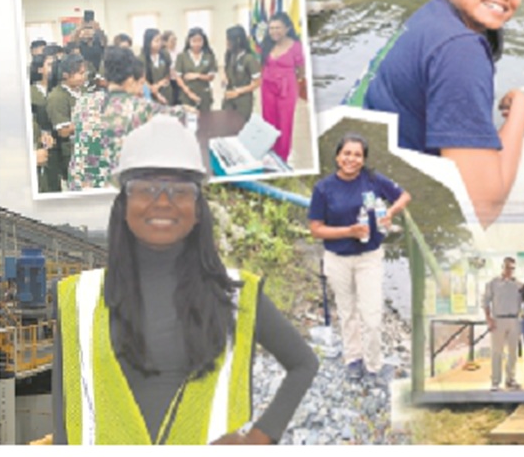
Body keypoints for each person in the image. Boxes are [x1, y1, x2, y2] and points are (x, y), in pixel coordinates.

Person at [52, 115, 318, 444]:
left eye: (180, 191)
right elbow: (65, 414)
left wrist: (259, 439)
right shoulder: (77, 299)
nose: (163, 202)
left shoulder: (237, 295)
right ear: (123, 204)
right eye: (146, 189)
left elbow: (303, 363)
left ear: (198, 209)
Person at [363, 0, 524, 228]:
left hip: (368, 171)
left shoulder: (431, 15)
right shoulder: (461, 50)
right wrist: (519, 116)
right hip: (391, 210)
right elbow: (480, 211)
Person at [307, 133, 411, 383]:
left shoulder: (372, 180)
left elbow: (404, 196)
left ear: (363, 160)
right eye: (347, 153)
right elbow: (316, 229)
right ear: (337, 157)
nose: (351, 159)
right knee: (347, 311)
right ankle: (353, 359)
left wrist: (390, 212)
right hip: (338, 258)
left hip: (369, 257)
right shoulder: (324, 188)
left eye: (357, 155)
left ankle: (374, 364)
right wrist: (349, 232)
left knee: (372, 316)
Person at [68, 46, 191, 190]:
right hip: (114, 191)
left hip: (78, 190)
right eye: (141, 83)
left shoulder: (84, 102)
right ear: (130, 80)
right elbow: (180, 115)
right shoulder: (140, 107)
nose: (142, 91)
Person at [260, 13, 305, 162]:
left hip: (287, 88)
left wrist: (292, 80)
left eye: (278, 28)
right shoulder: (267, 44)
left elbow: (301, 69)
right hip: (268, 87)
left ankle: (282, 156)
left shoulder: (296, 46)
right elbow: (263, 64)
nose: (274, 31)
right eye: (271, 28)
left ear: (287, 28)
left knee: (285, 122)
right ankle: (269, 151)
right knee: (268, 120)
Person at [46, 53, 87, 189]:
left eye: (84, 73)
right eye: (80, 73)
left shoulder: (83, 90)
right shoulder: (57, 97)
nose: (83, 76)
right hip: (71, 154)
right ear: (66, 75)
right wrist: (89, 123)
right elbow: (63, 131)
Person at [482, 257, 523, 390]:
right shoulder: (493, 283)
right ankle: (495, 381)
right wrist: (488, 318)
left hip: (514, 320)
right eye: (507, 267)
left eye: (512, 268)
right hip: (498, 320)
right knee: (497, 352)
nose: (510, 270)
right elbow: (485, 301)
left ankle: (510, 379)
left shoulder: (519, 285)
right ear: (502, 267)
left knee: (513, 352)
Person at [29, 54, 57, 192]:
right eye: (49, 65)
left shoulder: (57, 89)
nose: (53, 68)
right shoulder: (31, 92)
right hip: (39, 143)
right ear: (40, 69)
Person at [223, 25, 261, 122]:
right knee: (226, 124)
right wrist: (225, 78)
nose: (227, 43)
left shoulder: (249, 59)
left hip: (243, 100)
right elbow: (226, 70)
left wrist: (238, 91)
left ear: (238, 41)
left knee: (240, 125)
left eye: (229, 40)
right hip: (229, 97)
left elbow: (257, 82)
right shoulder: (229, 55)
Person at [175, 27, 218, 112]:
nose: (197, 44)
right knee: (188, 118)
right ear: (189, 41)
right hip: (187, 94)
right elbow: (178, 78)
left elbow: (211, 77)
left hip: (204, 94)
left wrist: (197, 75)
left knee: (205, 118)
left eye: (199, 40)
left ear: (204, 41)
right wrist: (189, 93)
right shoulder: (182, 56)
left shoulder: (209, 56)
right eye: (194, 41)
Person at [140, 29, 173, 106]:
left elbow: (169, 72)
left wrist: (158, 84)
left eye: (160, 40)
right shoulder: (142, 58)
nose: (159, 43)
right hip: (150, 92)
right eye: (156, 41)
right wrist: (154, 90)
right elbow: (142, 79)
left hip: (165, 90)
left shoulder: (165, 54)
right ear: (148, 42)